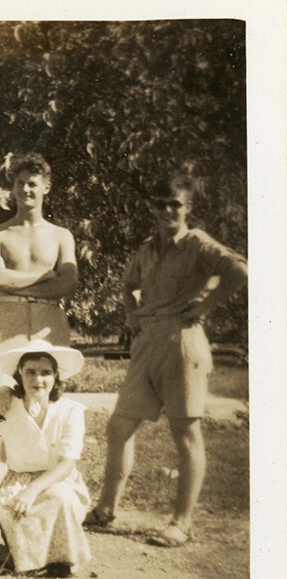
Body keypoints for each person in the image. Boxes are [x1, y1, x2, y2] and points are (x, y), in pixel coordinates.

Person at [84, 174, 248, 547]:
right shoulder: (147, 247)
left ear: (187, 208)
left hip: (182, 340)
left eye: (175, 204)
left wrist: (204, 307)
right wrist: (131, 317)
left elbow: (239, 271)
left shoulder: (197, 244)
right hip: (148, 341)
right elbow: (128, 284)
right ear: (151, 208)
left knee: (185, 431)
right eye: (161, 203)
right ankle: (105, 509)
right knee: (119, 426)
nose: (167, 210)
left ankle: (181, 523)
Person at [0, 339, 92, 578]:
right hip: (17, 480)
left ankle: (63, 561)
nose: (37, 380)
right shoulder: (9, 406)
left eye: (45, 373)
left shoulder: (70, 410)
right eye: (30, 373)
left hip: (58, 479)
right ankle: (30, 562)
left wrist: (33, 490)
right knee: (14, 507)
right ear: (19, 375)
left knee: (59, 498)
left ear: (56, 376)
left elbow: (67, 463)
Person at [0, 153, 78, 367]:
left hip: (49, 321)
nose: (25, 190)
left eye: (32, 184)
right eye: (20, 183)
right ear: (13, 187)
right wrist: (45, 276)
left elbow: (68, 283)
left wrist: (10, 283)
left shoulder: (61, 236)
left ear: (46, 188)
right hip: (5, 320)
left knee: (47, 390)